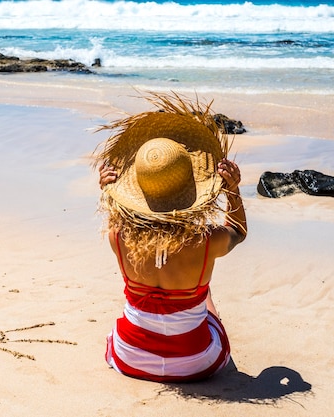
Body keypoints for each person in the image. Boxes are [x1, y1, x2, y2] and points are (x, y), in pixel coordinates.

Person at [95, 92, 247, 382]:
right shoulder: (205, 244)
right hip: (196, 363)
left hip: (130, 357)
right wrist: (233, 190)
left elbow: (116, 214)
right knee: (205, 294)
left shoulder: (117, 236)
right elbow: (238, 232)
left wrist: (107, 190)